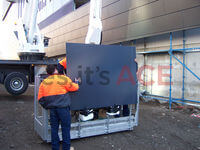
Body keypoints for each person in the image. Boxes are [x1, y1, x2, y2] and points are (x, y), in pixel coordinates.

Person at [38, 64, 79, 150]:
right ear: (56, 70)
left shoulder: (44, 82)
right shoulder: (63, 79)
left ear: (48, 72)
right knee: (65, 129)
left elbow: (40, 99)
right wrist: (76, 82)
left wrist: (47, 106)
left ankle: (55, 148)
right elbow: (74, 88)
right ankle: (66, 148)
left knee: (54, 129)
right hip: (63, 109)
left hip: (53, 110)